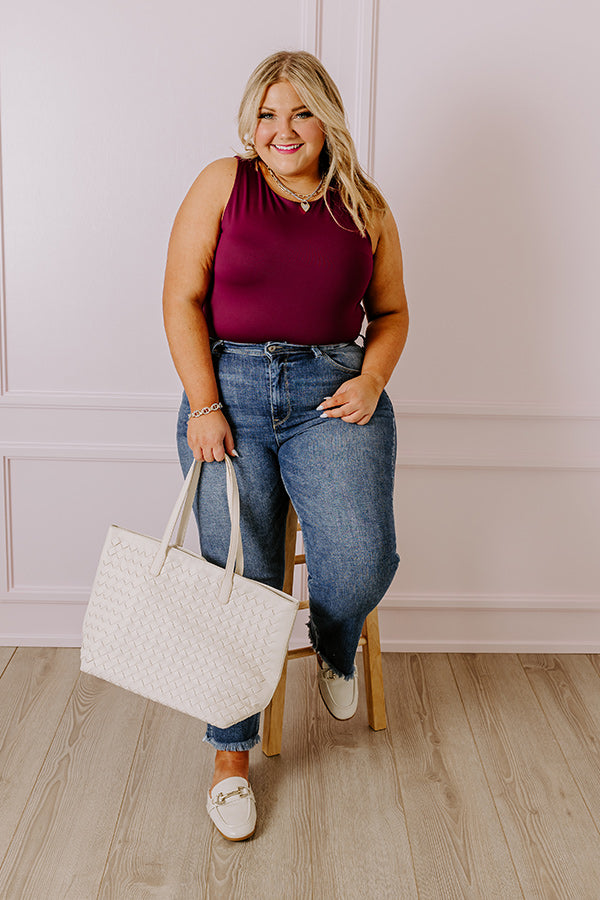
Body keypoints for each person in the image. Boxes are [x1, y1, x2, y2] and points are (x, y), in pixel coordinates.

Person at [162, 50, 408, 841]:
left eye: (300, 112)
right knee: (242, 572)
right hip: (226, 389)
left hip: (332, 392)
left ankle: (332, 642)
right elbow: (181, 299)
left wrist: (370, 382)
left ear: (327, 118)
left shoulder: (364, 206)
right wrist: (204, 402)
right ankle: (230, 756)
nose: (281, 130)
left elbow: (393, 312)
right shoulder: (222, 184)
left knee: (364, 554)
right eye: (267, 114)